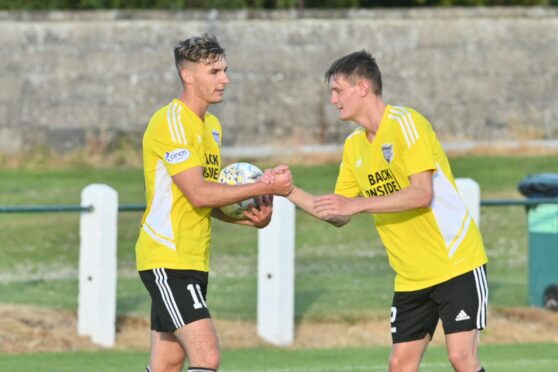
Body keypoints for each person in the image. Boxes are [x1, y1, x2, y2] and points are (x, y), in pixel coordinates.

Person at [283, 50, 488, 372]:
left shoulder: (407, 123)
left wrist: (358, 203)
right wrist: (286, 191)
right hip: (410, 276)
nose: (333, 100)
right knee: (399, 365)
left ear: (362, 87)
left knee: (461, 357)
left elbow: (421, 194)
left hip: (456, 263)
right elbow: (338, 213)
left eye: (338, 90)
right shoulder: (353, 147)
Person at [135, 33, 293, 372]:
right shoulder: (171, 122)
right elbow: (199, 192)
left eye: (224, 70)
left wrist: (251, 218)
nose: (225, 79)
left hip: (192, 257)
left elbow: (209, 199)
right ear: (188, 75)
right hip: (167, 257)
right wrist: (264, 184)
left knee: (168, 361)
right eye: (215, 72)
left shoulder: (212, 126)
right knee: (207, 357)